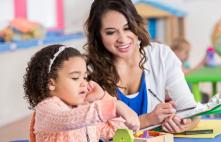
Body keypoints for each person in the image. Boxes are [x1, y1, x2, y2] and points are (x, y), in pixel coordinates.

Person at [84, 0, 200, 133]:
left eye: (127, 28)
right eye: (111, 32)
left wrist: (184, 124)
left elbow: (192, 111)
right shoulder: (87, 71)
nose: (122, 38)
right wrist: (148, 120)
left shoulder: (161, 56)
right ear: (98, 35)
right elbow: (91, 131)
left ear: (136, 24)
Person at [24, 44, 139, 142]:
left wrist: (103, 97)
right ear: (51, 83)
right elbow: (67, 120)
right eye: (75, 78)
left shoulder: (87, 111)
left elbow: (116, 131)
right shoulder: (46, 110)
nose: (84, 83)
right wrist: (114, 107)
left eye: (85, 77)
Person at [170, 38, 209, 103]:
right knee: (203, 98)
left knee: (205, 96)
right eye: (186, 52)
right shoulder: (174, 65)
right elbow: (186, 72)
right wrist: (202, 63)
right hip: (183, 95)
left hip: (190, 92)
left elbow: (191, 72)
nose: (188, 55)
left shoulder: (185, 64)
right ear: (176, 52)